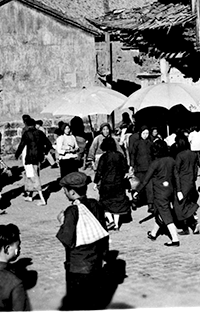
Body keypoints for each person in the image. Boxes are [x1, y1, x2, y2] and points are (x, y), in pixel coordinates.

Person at [56, 172, 109, 310]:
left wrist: (62, 222)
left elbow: (67, 239)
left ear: (72, 192)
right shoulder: (95, 205)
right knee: (93, 300)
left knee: (77, 304)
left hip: (77, 266)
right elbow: (103, 233)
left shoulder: (72, 211)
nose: (64, 193)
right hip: (95, 262)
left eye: (65, 190)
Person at [133, 139, 180, 246]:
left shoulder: (155, 163)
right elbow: (176, 176)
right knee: (160, 213)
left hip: (159, 192)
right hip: (170, 190)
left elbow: (145, 180)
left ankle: (175, 239)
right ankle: (153, 234)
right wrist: (179, 190)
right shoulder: (171, 160)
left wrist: (137, 191)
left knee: (166, 214)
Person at [93, 137, 131, 231]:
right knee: (117, 204)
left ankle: (110, 221)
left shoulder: (104, 157)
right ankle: (117, 224)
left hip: (107, 183)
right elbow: (125, 168)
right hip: (118, 183)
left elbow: (99, 171)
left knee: (105, 203)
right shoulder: (120, 155)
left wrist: (95, 182)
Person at [14, 116, 52, 205]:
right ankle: (30, 196)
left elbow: (21, 145)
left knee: (33, 177)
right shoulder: (40, 133)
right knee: (34, 174)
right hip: (38, 157)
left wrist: (17, 154)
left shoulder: (27, 134)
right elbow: (49, 144)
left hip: (30, 158)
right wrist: (45, 152)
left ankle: (42, 199)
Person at [173, 132, 200, 235]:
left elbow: (176, 172)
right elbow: (195, 169)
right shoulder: (193, 154)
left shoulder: (179, 156)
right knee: (188, 203)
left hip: (182, 183)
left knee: (179, 206)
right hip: (191, 183)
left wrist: (178, 189)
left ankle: (186, 227)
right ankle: (193, 224)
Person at [129, 126, 154, 212]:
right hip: (139, 168)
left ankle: (150, 205)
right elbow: (132, 155)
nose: (145, 135)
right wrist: (132, 165)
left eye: (147, 133)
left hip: (149, 168)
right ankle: (135, 202)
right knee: (137, 185)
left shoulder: (150, 143)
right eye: (144, 133)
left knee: (149, 187)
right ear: (140, 133)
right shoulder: (136, 143)